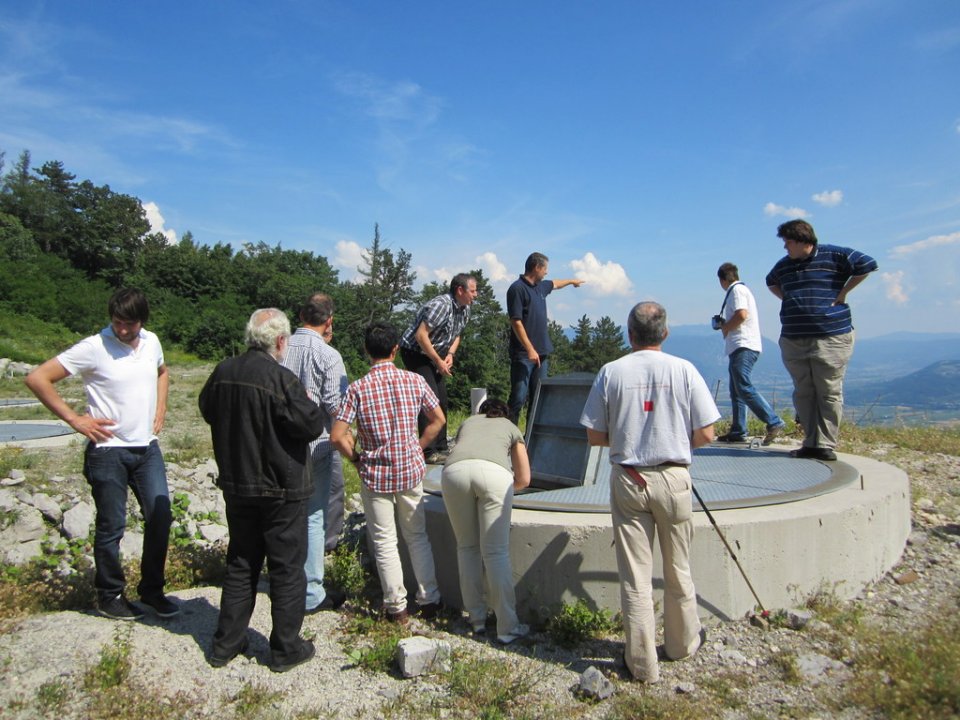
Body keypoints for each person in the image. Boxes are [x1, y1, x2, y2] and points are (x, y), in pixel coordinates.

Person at [580, 301, 719, 684]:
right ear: (666, 333)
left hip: (629, 477)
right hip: (674, 477)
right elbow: (707, 433)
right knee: (678, 567)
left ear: (630, 334)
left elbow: (594, 435)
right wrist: (675, 442)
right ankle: (682, 644)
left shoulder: (611, 372)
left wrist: (630, 440)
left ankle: (641, 663)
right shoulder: (684, 370)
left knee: (635, 576)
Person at [25, 288, 175, 621]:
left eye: (129, 324)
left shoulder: (151, 341)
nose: (122, 329)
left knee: (161, 515)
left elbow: (162, 371)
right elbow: (37, 378)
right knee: (112, 525)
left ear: (142, 320)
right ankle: (110, 595)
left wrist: (161, 405)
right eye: (117, 322)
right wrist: (75, 419)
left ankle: (152, 590)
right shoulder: (94, 347)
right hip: (107, 451)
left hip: (146, 447)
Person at [199, 308, 325, 672]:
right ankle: (285, 648)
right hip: (281, 487)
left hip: (237, 483)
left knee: (241, 561)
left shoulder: (223, 372)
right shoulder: (282, 379)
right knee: (286, 568)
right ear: (281, 341)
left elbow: (207, 408)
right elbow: (311, 424)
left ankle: (226, 643)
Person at [330, 322, 444, 623]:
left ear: (367, 350)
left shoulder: (357, 388)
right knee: (417, 536)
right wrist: (418, 447)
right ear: (395, 349)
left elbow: (337, 435)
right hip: (409, 469)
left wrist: (356, 460)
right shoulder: (415, 381)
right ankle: (430, 600)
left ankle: (397, 608)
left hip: (375, 474)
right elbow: (438, 419)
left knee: (384, 541)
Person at [766, 220, 878, 461]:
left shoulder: (835, 255)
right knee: (803, 392)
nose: (785, 247)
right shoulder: (784, 266)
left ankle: (825, 444)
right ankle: (810, 442)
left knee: (828, 390)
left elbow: (867, 263)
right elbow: (771, 282)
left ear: (802, 241)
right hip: (793, 337)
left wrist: (843, 292)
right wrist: (789, 298)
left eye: (788, 242)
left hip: (831, 335)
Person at [441, 398, 531, 644]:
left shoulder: (469, 422)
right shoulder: (510, 427)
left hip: (453, 473)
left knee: (466, 547)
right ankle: (507, 627)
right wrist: (505, 489)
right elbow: (524, 478)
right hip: (494, 475)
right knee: (495, 553)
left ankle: (476, 619)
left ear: (481, 412)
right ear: (505, 414)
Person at [282, 293, 349, 613]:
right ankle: (310, 591)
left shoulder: (279, 347)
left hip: (280, 445)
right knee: (313, 515)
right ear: (329, 321)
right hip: (317, 445)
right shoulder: (329, 356)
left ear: (300, 315)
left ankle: (283, 579)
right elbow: (337, 407)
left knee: (284, 513)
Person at [400, 273, 478, 463]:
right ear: (460, 290)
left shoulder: (465, 308)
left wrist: (450, 354)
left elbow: (457, 334)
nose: (476, 295)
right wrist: (438, 361)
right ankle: (427, 451)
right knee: (429, 398)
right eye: (473, 291)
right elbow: (421, 336)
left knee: (441, 398)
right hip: (416, 352)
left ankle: (441, 447)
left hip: (436, 354)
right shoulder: (441, 305)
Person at [507, 252, 585, 425]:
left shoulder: (541, 287)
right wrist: (529, 349)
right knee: (518, 398)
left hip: (542, 353)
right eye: (545, 269)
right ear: (537, 267)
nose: (547, 272)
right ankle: (508, 436)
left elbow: (555, 283)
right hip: (523, 355)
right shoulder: (517, 289)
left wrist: (572, 281)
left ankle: (530, 438)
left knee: (538, 399)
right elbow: (516, 321)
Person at [713, 262, 786, 444]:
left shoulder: (736, 291)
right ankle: (738, 430)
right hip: (741, 345)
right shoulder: (741, 290)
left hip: (743, 344)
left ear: (722, 279)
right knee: (737, 389)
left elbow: (742, 314)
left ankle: (773, 421)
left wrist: (726, 327)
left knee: (743, 386)